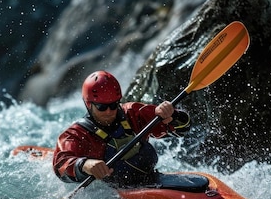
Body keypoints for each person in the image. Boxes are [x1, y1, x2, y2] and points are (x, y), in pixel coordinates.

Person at [53, 70, 190, 187]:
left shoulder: (132, 112)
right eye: (102, 107)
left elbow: (183, 128)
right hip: (108, 192)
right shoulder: (76, 134)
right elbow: (60, 164)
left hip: (148, 180)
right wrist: (84, 165)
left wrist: (172, 114)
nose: (108, 112)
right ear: (88, 104)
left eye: (113, 105)